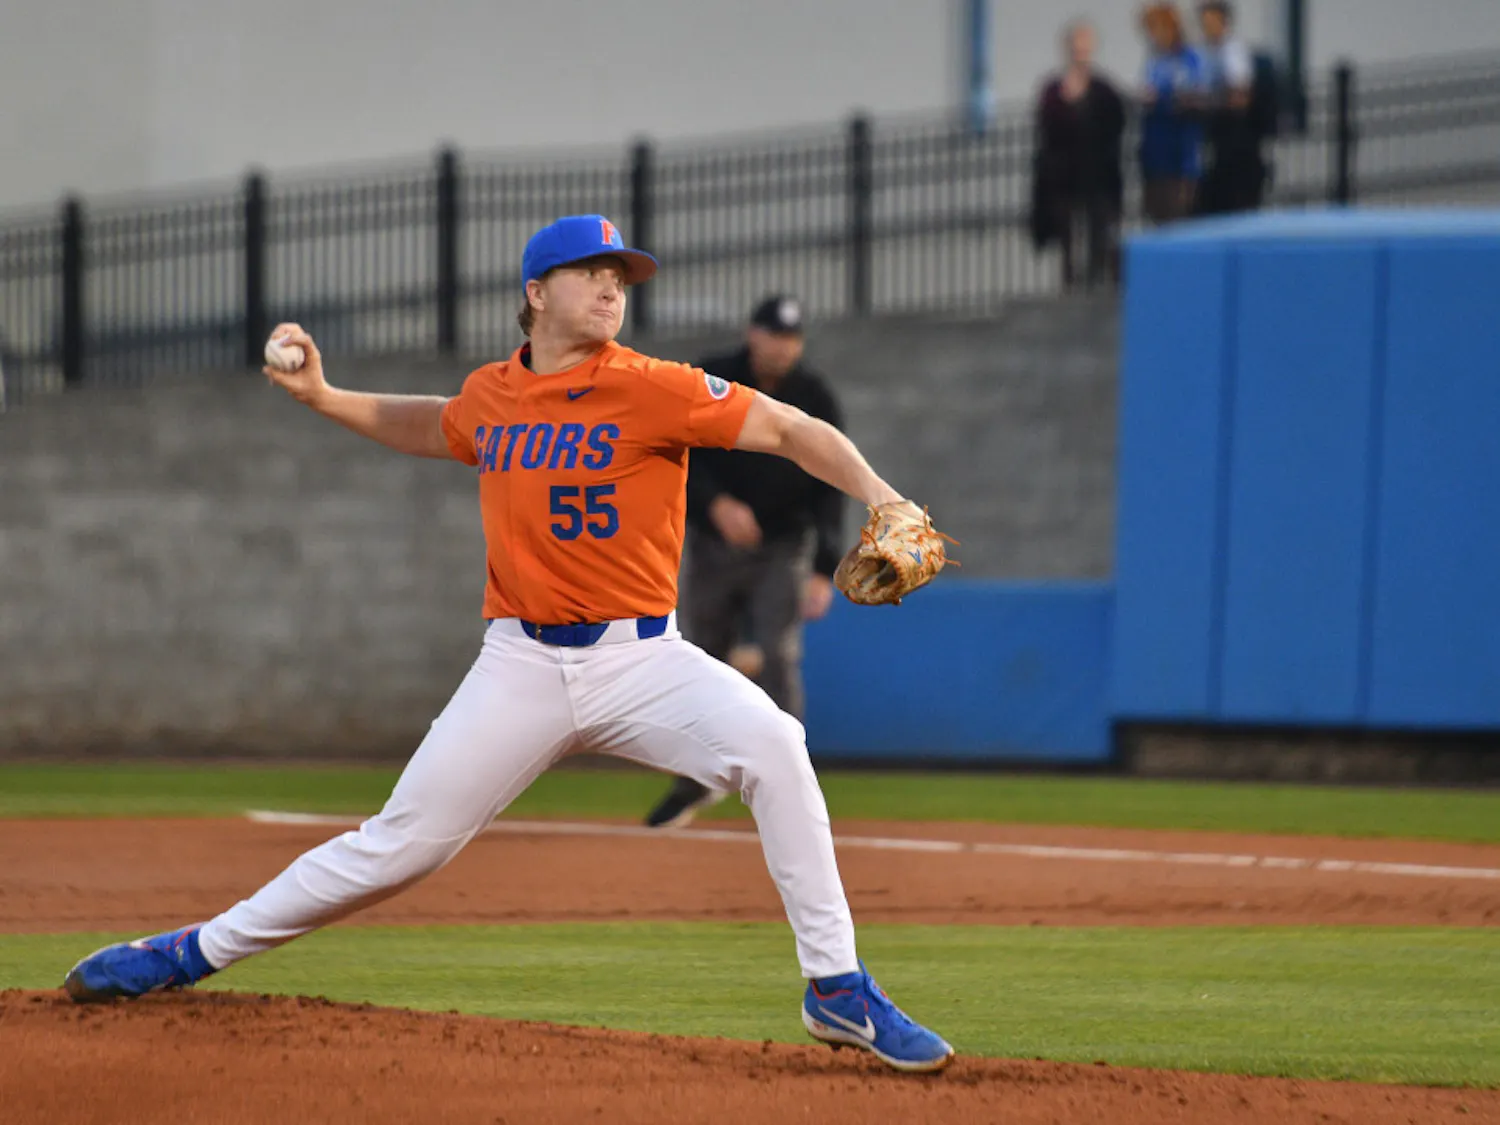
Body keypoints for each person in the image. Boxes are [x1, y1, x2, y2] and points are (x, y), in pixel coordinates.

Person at [60, 214, 954, 1074]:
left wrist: (884, 495)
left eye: (621, 278)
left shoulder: (656, 385)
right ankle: (189, 950)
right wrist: (325, 396)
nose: (613, 289)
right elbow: (432, 422)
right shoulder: (494, 394)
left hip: (642, 658)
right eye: (593, 274)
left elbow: (792, 429)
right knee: (402, 844)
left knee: (776, 745)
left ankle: (836, 985)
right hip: (520, 663)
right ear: (537, 292)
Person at [644, 295, 844, 830]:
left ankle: (791, 781)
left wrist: (826, 567)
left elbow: (829, 482)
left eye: (791, 339)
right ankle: (694, 780)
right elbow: (679, 452)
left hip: (783, 544)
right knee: (698, 656)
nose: (782, 347)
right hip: (715, 545)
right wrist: (715, 503)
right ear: (751, 334)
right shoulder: (716, 378)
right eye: (773, 335)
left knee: (777, 653)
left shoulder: (813, 394)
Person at [1030, 20, 1127, 290]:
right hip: (1064, 175)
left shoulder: (1104, 89)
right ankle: (1070, 281)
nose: (1080, 52)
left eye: (1085, 47)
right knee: (1068, 233)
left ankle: (1095, 280)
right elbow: (1046, 124)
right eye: (1076, 47)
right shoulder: (1053, 89)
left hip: (1099, 174)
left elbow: (1116, 122)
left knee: (1099, 228)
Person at [1195, 1, 1271, 215]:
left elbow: (1239, 96)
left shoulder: (1233, 52)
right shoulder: (1207, 53)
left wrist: (1209, 102)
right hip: (1217, 140)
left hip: (1236, 142)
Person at [1138, 3, 1207, 225]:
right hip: (1155, 153)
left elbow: (1199, 95)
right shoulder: (1154, 61)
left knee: (1179, 216)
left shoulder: (1190, 59)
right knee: (1158, 216)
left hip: (1181, 155)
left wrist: (1174, 99)